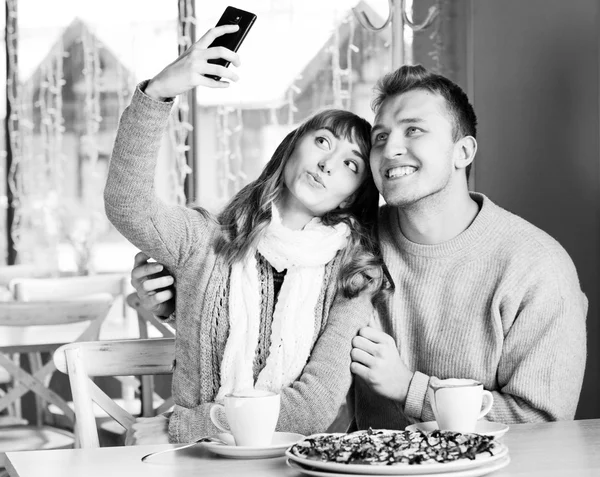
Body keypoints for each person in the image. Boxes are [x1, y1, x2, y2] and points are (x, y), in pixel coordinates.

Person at [134, 63, 588, 430]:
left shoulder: (536, 267)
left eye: (414, 131)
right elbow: (263, 295)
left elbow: (544, 422)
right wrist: (179, 292)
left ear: (463, 152)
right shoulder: (346, 246)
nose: (391, 150)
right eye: (382, 137)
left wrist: (411, 388)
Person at [104, 24, 386, 445]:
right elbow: (128, 206)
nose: (328, 163)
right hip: (198, 465)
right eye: (322, 140)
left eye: (351, 164)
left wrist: (186, 425)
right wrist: (159, 91)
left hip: (300, 462)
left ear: (352, 197)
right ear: (291, 148)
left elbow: (314, 407)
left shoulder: (354, 273)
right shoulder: (208, 238)